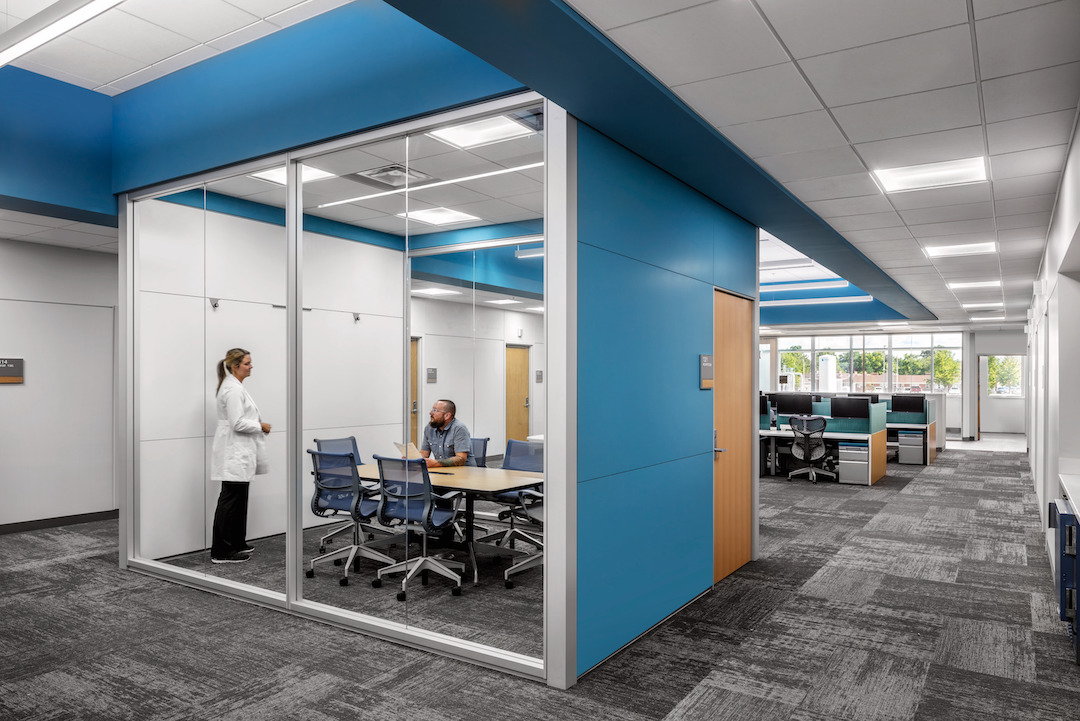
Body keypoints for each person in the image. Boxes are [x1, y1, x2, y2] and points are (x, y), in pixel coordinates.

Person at [209, 347, 271, 563]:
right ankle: (221, 550)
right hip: (233, 452)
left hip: (239, 451)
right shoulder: (232, 390)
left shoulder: (234, 386)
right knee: (230, 500)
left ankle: (236, 542)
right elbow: (237, 423)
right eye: (247, 363)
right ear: (235, 366)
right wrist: (260, 426)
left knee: (239, 498)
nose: (251, 366)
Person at [420, 399, 476, 467]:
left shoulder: (459, 429)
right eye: (432, 409)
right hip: (442, 470)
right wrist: (413, 460)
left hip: (463, 471)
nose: (431, 413)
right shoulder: (429, 428)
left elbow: (460, 459)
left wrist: (436, 463)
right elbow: (424, 453)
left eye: (435, 410)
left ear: (447, 416)